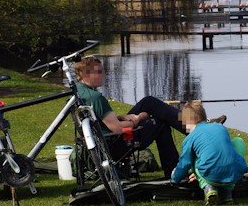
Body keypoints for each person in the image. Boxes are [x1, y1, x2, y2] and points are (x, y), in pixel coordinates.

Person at [74, 56, 224, 179]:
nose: (103, 75)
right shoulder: (95, 97)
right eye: (99, 72)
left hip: (102, 140)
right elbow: (118, 128)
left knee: (149, 102)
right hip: (116, 142)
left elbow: (103, 121)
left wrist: (123, 116)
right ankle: (197, 130)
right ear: (87, 74)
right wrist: (137, 119)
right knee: (160, 123)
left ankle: (194, 132)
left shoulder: (79, 92)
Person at [170, 101, 247, 205]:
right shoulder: (220, 127)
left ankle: (209, 188)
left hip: (210, 175)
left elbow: (185, 163)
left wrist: (175, 177)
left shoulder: (190, 138)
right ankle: (227, 193)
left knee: (194, 156)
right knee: (238, 141)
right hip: (234, 174)